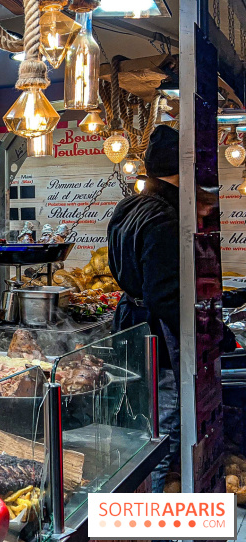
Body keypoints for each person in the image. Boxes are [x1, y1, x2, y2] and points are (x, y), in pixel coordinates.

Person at [107, 125, 233, 492]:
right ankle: (156, 536)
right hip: (155, 337)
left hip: (130, 325)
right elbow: (165, 296)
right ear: (184, 169)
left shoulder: (128, 205)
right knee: (161, 435)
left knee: (140, 429)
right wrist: (215, 336)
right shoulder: (164, 218)